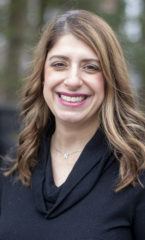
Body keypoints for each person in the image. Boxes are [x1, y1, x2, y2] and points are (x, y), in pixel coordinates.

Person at [0, 9, 145, 240]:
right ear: (42, 75)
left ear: (110, 79)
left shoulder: (137, 171)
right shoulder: (14, 165)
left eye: (91, 67)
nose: (73, 80)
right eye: (59, 64)